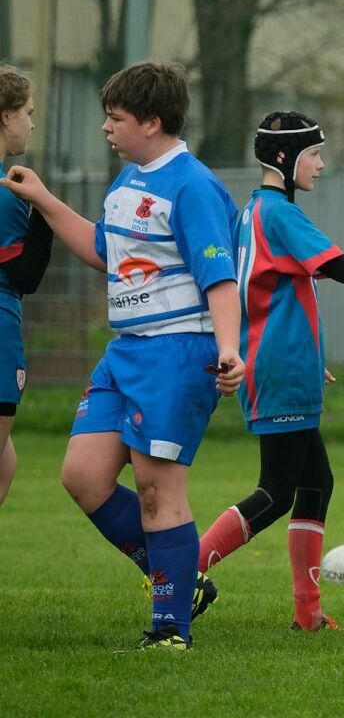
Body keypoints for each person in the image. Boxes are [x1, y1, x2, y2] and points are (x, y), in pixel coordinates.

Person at [1, 61, 243, 651]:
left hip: (178, 351)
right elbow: (104, 253)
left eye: (116, 119)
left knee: (159, 490)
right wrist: (44, 198)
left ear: (153, 121)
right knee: (82, 476)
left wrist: (231, 350)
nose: (106, 129)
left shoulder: (191, 185)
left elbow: (220, 278)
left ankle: (170, 628)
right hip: (126, 351)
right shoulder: (130, 181)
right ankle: (179, 580)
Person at [196, 112, 344, 631]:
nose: (322, 165)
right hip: (279, 367)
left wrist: (304, 354)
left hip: (285, 364)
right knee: (276, 491)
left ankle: (308, 614)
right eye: (315, 154)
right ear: (284, 160)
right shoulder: (279, 214)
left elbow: (270, 296)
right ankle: (179, 573)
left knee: (316, 483)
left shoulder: (254, 211)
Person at [0, 64, 53, 507]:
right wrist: (44, 212)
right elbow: (26, 277)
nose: (30, 124)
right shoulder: (6, 193)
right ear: (6, 116)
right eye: (27, 113)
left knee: (6, 466)